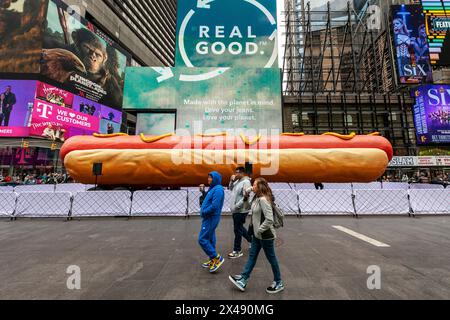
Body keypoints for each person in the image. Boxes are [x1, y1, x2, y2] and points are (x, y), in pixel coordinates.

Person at [229, 177, 285, 294]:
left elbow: (269, 219)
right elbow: (248, 206)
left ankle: (278, 282)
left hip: (266, 235)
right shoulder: (256, 198)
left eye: (254, 185)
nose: (252, 186)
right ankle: (243, 279)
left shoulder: (264, 200)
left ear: (259, 187)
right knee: (252, 257)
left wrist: (259, 230)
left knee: (271, 258)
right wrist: (246, 194)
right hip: (257, 235)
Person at [199, 172, 225, 273]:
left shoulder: (218, 189)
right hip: (209, 217)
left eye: (211, 178)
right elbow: (208, 201)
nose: (209, 179)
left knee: (202, 239)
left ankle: (217, 258)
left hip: (210, 217)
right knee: (210, 237)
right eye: (208, 177)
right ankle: (212, 259)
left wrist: (204, 211)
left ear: (216, 179)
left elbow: (215, 206)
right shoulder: (213, 188)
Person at [228, 167, 252, 259]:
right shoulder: (238, 181)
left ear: (242, 173)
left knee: (237, 230)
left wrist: (236, 206)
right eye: (235, 172)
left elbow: (246, 196)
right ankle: (252, 241)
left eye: (237, 172)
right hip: (236, 210)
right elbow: (230, 188)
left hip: (241, 210)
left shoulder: (246, 182)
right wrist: (231, 180)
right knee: (239, 227)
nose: (235, 174)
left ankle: (237, 250)